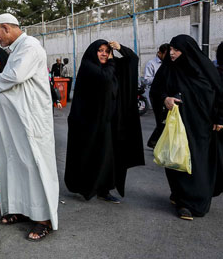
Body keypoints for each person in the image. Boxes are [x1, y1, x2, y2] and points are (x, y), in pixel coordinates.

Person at [0, 13, 59, 242]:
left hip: (30, 121)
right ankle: (22, 209)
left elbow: (14, 76)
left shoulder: (30, 47)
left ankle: (43, 219)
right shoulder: (17, 49)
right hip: (14, 121)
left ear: (6, 28)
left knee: (34, 165)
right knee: (14, 162)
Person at [150, 35, 223, 220]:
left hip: (203, 128)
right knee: (178, 161)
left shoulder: (205, 70)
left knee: (200, 164)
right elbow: (156, 90)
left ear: (188, 51)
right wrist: (165, 99)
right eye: (171, 49)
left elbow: (219, 93)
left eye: (176, 50)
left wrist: (220, 118)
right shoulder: (168, 70)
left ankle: (198, 199)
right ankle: (183, 201)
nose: (172, 53)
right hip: (178, 126)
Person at [65, 40, 144, 204]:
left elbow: (133, 60)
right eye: (100, 51)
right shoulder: (89, 66)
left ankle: (104, 189)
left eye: (107, 51)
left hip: (109, 122)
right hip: (90, 123)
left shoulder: (110, 66)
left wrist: (121, 48)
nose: (104, 54)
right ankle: (87, 187)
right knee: (92, 156)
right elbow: (106, 78)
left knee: (108, 158)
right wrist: (112, 60)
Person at [145, 43, 170, 148]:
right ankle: (153, 142)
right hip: (156, 95)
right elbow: (147, 79)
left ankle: (155, 142)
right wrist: (159, 78)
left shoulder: (169, 63)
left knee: (165, 120)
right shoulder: (152, 63)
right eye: (167, 53)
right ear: (161, 53)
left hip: (166, 95)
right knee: (161, 120)